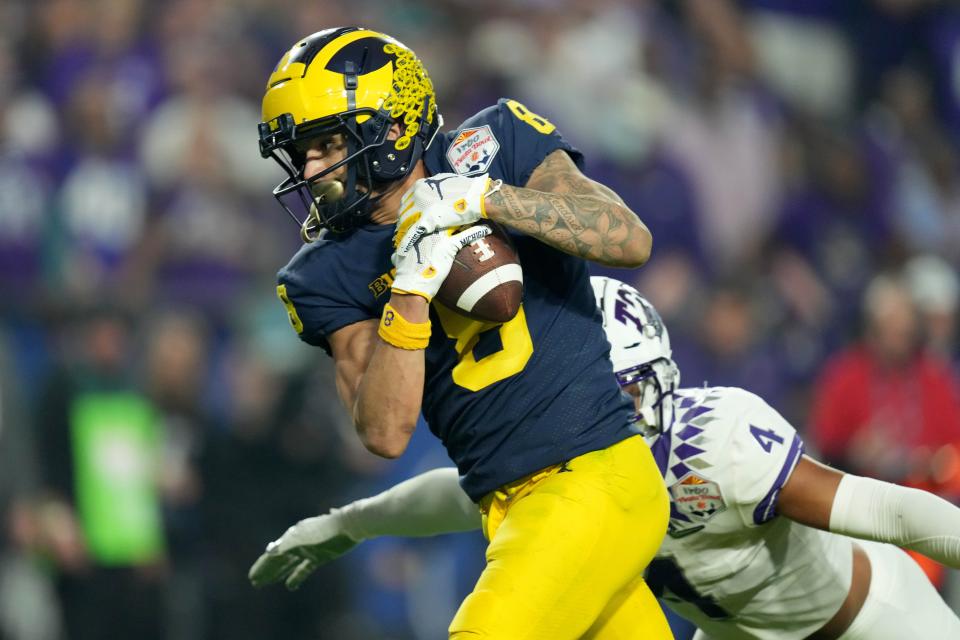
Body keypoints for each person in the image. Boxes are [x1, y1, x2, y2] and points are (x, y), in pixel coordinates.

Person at [252, 276, 960, 640]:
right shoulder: (568, 474)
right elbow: (456, 495)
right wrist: (347, 523)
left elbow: (879, 506)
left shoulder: (716, 443)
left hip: (869, 624)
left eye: (606, 392)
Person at [254, 27, 671, 639]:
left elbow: (629, 238)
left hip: (594, 474)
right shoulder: (321, 273)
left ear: (391, 128)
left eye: (326, 144)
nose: (312, 169)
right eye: (301, 152)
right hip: (505, 510)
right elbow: (385, 431)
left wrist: (489, 198)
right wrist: (411, 289)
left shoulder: (493, 143)